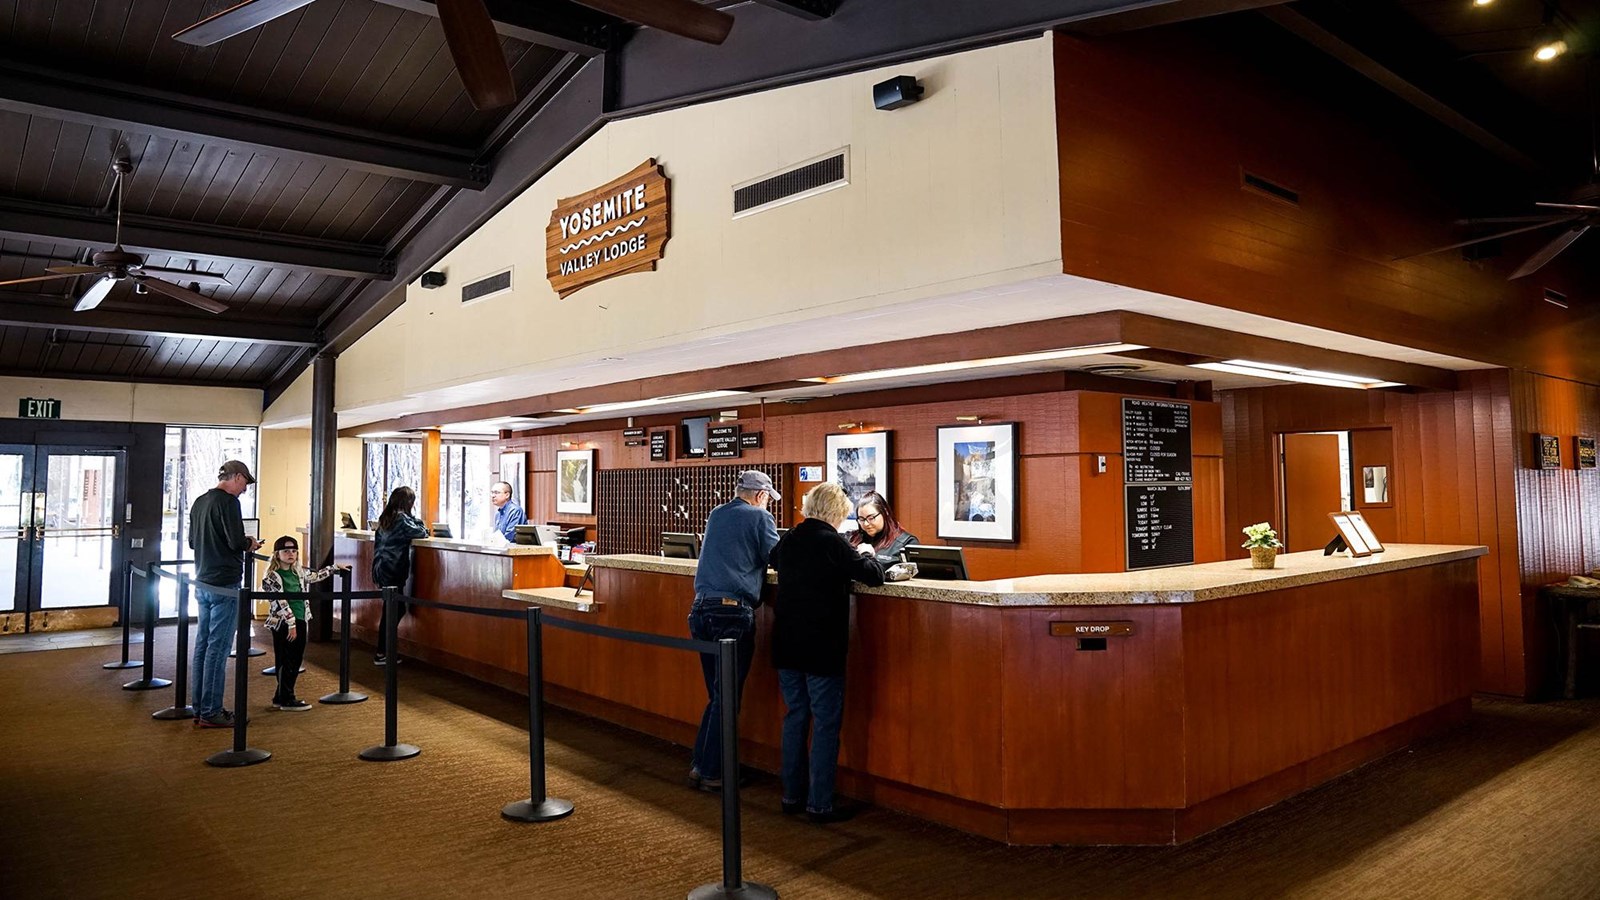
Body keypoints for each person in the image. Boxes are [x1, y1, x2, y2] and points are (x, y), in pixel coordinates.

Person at [770, 482, 885, 823]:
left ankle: (790, 795)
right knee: (824, 724)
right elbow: (872, 577)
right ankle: (819, 803)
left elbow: (773, 560)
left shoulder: (790, 537)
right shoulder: (832, 542)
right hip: (821, 647)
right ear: (836, 512)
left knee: (794, 717)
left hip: (786, 644)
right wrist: (867, 554)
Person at [687, 469, 780, 792]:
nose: (768, 505)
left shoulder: (717, 513)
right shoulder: (759, 518)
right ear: (760, 496)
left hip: (700, 610)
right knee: (725, 697)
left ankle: (701, 765)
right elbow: (778, 557)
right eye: (768, 499)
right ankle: (712, 772)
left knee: (717, 696)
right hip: (731, 612)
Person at [188, 459, 264, 728]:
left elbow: (192, 542)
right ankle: (211, 710)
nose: (245, 489)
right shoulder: (229, 503)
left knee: (203, 646)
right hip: (226, 583)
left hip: (203, 581)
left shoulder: (199, 502)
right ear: (238, 477)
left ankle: (199, 707)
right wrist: (250, 543)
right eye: (245, 483)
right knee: (218, 649)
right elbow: (235, 541)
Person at [261, 535, 344, 711]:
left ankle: (281, 695)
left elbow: (314, 576)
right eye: (286, 551)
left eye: (294, 551)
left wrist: (333, 568)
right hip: (285, 623)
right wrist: (291, 624)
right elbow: (280, 601)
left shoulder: (297, 572)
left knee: (294, 659)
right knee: (287, 660)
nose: (290, 554)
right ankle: (287, 698)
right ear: (277, 554)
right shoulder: (272, 577)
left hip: (300, 618)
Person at [371, 486, 429, 665]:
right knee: (394, 610)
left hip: (381, 568)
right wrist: (415, 519)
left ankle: (383, 651)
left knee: (390, 610)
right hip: (394, 569)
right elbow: (422, 532)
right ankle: (382, 652)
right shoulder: (402, 519)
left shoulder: (386, 517)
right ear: (408, 502)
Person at [848, 491, 918, 565]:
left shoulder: (906, 542)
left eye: (871, 518)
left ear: (885, 512)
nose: (866, 524)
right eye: (861, 519)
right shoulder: (851, 539)